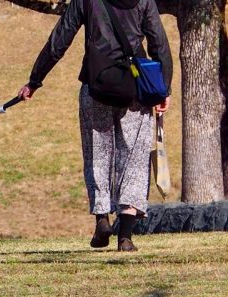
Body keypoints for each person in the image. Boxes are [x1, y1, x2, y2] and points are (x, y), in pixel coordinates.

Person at [18, 0, 172, 251]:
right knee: (133, 159)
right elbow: (159, 44)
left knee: (97, 155)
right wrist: (164, 88)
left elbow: (60, 38)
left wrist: (35, 80)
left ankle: (102, 219)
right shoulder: (144, 1)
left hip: (95, 86)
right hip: (135, 88)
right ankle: (125, 237)